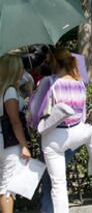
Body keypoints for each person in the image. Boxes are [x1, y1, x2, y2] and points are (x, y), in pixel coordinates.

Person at [29, 48, 92, 213]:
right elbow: (83, 112)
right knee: (91, 134)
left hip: (54, 136)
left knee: (58, 183)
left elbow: (34, 109)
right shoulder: (80, 83)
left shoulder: (49, 82)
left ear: (54, 62)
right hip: (77, 131)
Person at [0, 53, 31, 213]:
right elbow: (14, 121)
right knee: (7, 187)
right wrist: (24, 145)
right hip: (9, 142)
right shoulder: (9, 90)